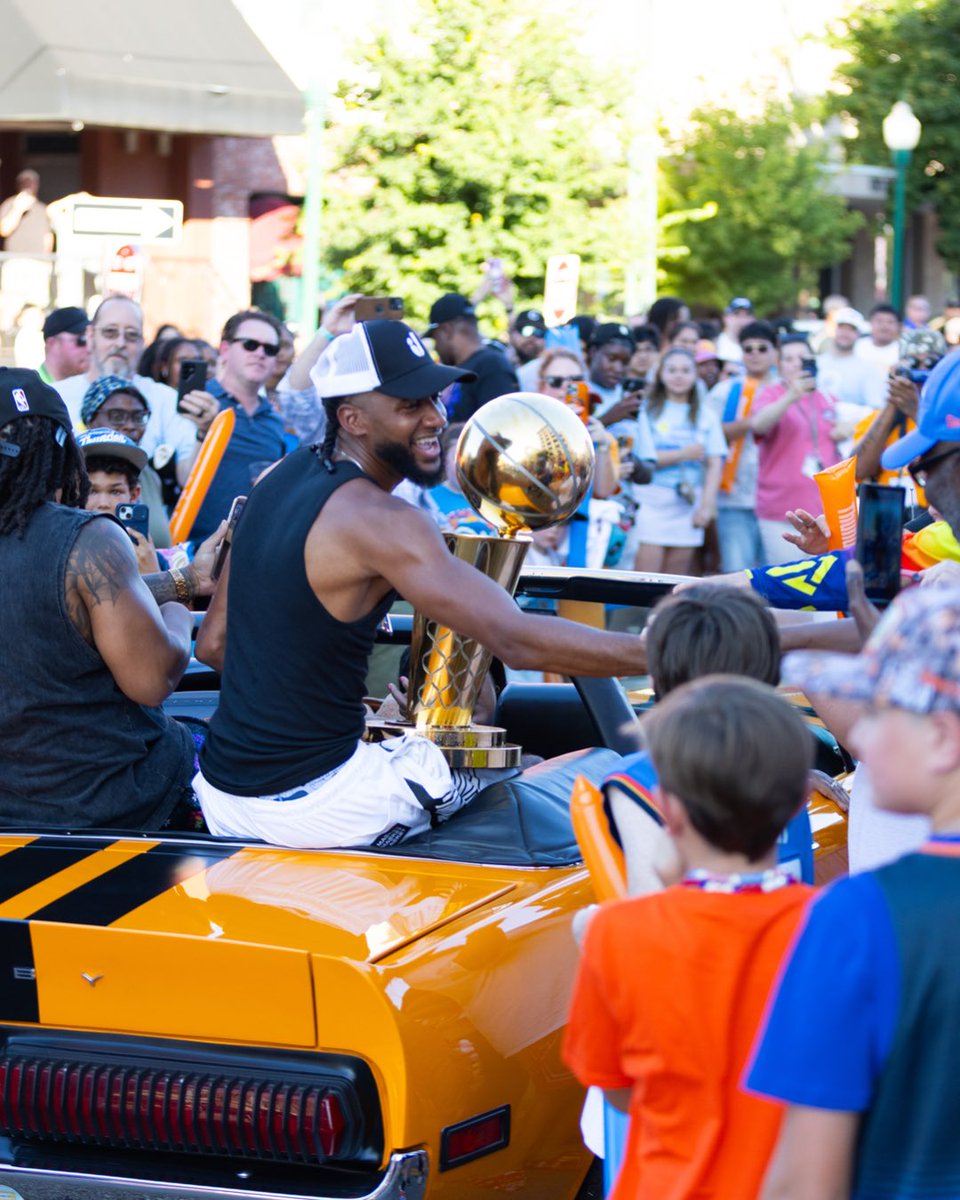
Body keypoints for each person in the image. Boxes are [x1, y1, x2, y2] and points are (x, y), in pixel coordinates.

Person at [193, 319, 651, 850]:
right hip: (317, 803)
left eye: (436, 397)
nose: (436, 417)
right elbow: (517, 639)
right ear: (352, 419)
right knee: (556, 771)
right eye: (410, 406)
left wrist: (338, 708)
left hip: (224, 794)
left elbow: (214, 644)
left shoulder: (275, 479)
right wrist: (667, 650)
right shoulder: (383, 519)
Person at [564, 676, 814, 1200]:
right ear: (797, 804)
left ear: (668, 809)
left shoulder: (615, 934)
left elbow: (618, 1094)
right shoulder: (838, 926)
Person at [748, 588, 960, 1200]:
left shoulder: (858, 918)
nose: (859, 736)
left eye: (879, 709)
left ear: (944, 738)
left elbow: (807, 1179)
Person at [0, 368, 198, 830]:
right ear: (60, 451)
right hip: (108, 803)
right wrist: (175, 609)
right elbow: (151, 681)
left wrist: (180, 580)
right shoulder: (88, 541)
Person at [54, 296, 219, 487]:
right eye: (110, 332)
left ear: (142, 342)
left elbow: (188, 480)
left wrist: (205, 431)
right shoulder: (56, 396)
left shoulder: (166, 398)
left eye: (131, 335)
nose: (120, 343)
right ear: (90, 336)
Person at [189, 308, 289, 543]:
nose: (260, 353)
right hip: (192, 550)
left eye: (270, 349)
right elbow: (180, 476)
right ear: (224, 349)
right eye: (250, 344)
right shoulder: (196, 401)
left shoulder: (275, 420)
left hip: (253, 549)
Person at [633, 347, 727, 575]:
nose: (678, 376)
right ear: (661, 374)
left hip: (687, 504)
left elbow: (715, 462)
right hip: (650, 501)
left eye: (685, 370)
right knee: (645, 580)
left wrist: (705, 507)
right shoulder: (647, 411)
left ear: (695, 375)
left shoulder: (706, 414)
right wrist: (683, 454)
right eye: (672, 369)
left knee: (674, 581)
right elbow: (644, 459)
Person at [750, 338, 841, 564]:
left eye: (803, 358)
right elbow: (759, 425)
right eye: (788, 359)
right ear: (779, 365)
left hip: (823, 510)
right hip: (782, 509)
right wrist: (792, 394)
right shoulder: (771, 394)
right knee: (785, 581)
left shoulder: (828, 398)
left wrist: (849, 427)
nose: (796, 364)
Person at [706, 320, 779, 572]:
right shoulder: (725, 390)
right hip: (735, 497)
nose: (755, 354)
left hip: (779, 500)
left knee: (777, 575)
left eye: (762, 348)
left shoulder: (788, 390)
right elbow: (710, 436)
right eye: (749, 349)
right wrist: (754, 422)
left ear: (774, 351)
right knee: (736, 574)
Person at [80, 375, 171, 548]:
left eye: (138, 417)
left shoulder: (151, 477)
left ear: (135, 492)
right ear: (90, 419)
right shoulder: (71, 472)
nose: (130, 425)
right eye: (117, 415)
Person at [76, 427, 159, 574]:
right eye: (91, 491)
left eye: (115, 492)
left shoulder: (149, 557)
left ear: (133, 495)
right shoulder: (57, 553)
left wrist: (152, 573)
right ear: (73, 492)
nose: (103, 503)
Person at [426, 292, 519, 421]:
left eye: (435, 337)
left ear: (446, 330)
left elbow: (499, 426)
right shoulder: (466, 366)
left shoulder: (491, 365)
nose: (435, 347)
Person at [0, 169, 54, 328]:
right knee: (10, 305)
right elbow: (4, 229)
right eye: (24, 181)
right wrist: (18, 209)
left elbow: (48, 237)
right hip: (15, 263)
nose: (28, 185)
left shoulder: (43, 209)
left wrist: (48, 261)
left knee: (36, 306)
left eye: (31, 182)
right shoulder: (10, 204)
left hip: (38, 265)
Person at [855, 303, 902, 410]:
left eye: (890, 322)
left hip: (892, 408)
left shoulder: (903, 352)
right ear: (870, 323)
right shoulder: (857, 347)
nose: (884, 326)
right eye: (879, 321)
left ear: (899, 326)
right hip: (859, 408)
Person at [38, 307, 90, 384]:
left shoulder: (92, 387)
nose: (89, 348)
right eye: (82, 340)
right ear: (52, 343)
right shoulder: (32, 390)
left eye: (91, 340)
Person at [509, 308, 548, 390]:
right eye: (526, 330)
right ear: (513, 334)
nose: (532, 337)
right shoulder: (502, 364)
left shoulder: (551, 371)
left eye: (539, 332)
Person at [715, 296, 754, 363]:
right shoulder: (715, 345)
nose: (742, 320)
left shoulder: (759, 347)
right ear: (726, 318)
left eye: (747, 315)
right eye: (737, 314)